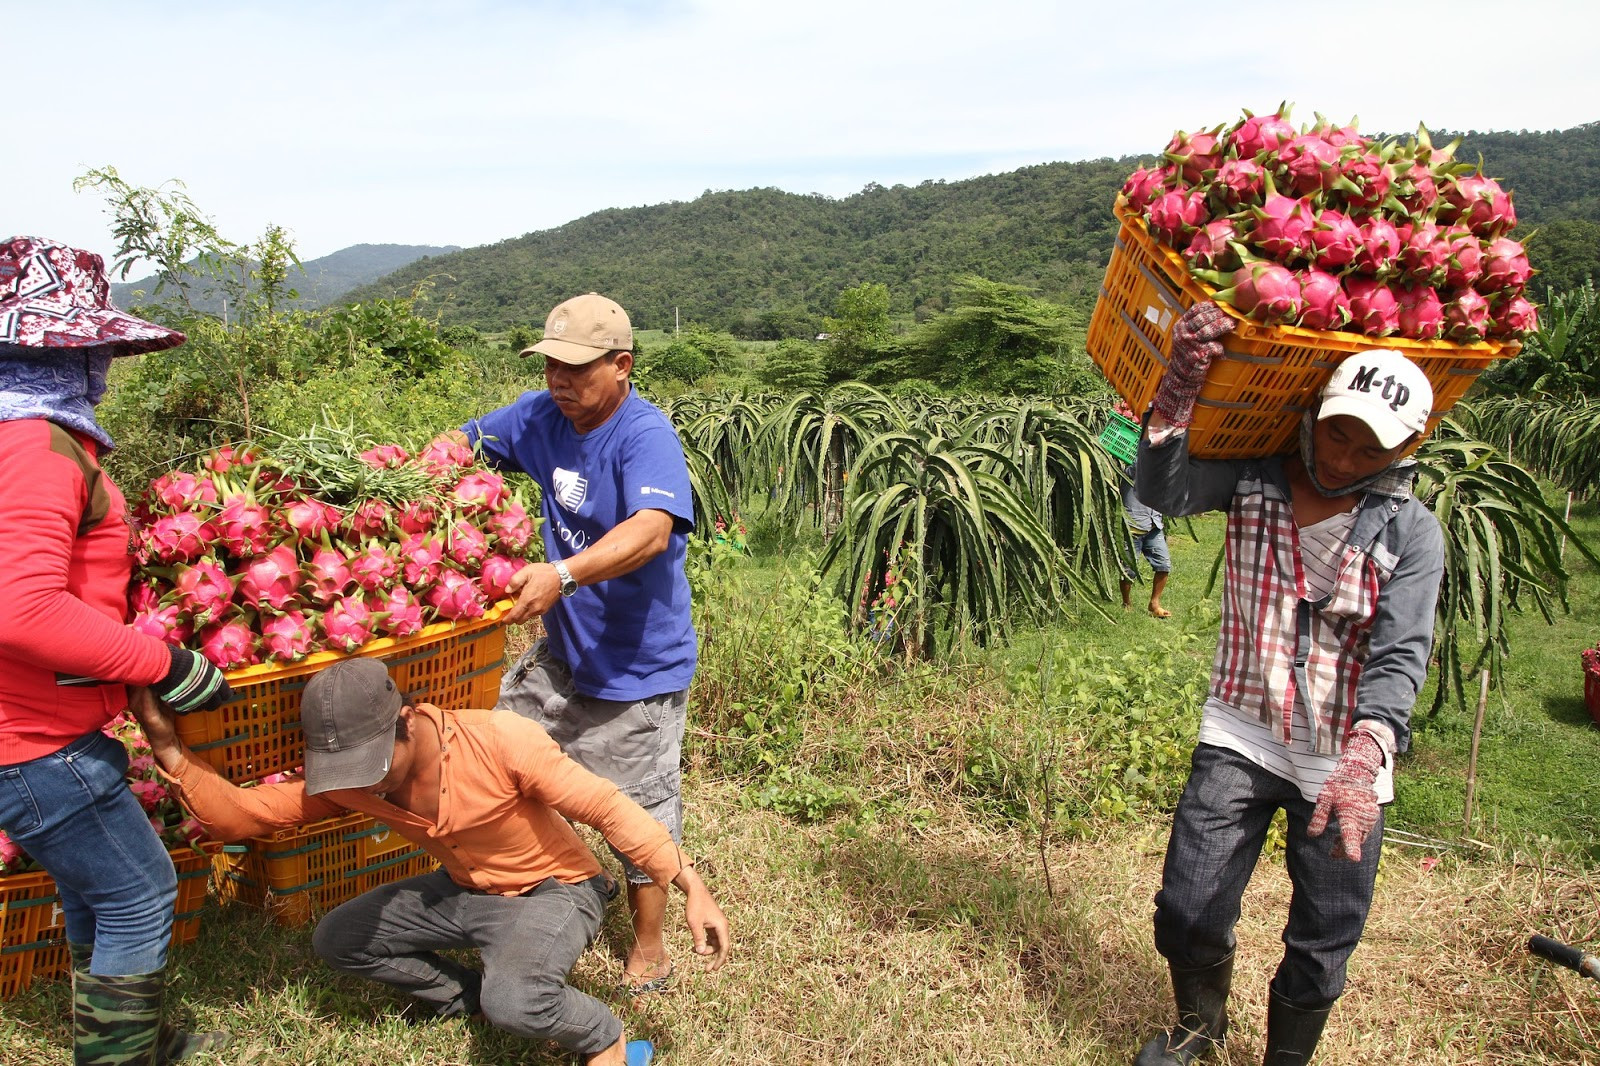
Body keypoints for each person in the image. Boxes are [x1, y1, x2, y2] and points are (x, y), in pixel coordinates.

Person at [132, 657, 730, 1066]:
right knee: (338, 938)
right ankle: (460, 997)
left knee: (518, 1001)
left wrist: (690, 885)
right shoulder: (353, 778)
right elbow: (246, 817)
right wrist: (168, 749)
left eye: (372, 767)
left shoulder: (498, 740)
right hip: (464, 889)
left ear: (407, 720)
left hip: (554, 891)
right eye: (346, 775)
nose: (362, 786)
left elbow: (606, 806)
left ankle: (605, 1035)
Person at [1129, 303, 1446, 1066]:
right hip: (1243, 724)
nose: (1343, 454)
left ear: (1409, 445)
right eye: (1338, 429)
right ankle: (1200, 1030)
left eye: (1370, 443)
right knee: (1188, 905)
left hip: (1344, 759)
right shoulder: (1255, 476)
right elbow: (1166, 493)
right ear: (1315, 413)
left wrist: (1366, 758)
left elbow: (1402, 653)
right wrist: (1175, 398)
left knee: (1324, 934)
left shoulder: (1413, 531)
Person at [0, 236, 235, 1064]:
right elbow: (20, 608)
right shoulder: (33, 445)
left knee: (99, 892)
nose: (101, 362)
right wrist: (163, 662)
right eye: (91, 346)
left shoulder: (16, 433)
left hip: (35, 727)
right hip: (32, 739)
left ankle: (119, 1040)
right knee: (141, 896)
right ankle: (121, 1057)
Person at [442, 292, 696, 996]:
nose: (560, 380)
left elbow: (650, 530)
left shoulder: (645, 434)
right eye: (551, 364)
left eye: (577, 369)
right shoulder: (539, 414)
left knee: (637, 810)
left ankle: (650, 947)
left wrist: (561, 572)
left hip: (636, 666)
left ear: (622, 364)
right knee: (499, 765)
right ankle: (551, 881)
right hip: (560, 651)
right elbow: (457, 451)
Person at [1119, 461, 1173, 618]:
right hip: (1132, 526)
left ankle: (1154, 603)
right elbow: (1139, 465)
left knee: (1163, 564)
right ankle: (1126, 602)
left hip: (1153, 525)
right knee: (1128, 570)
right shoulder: (1131, 469)